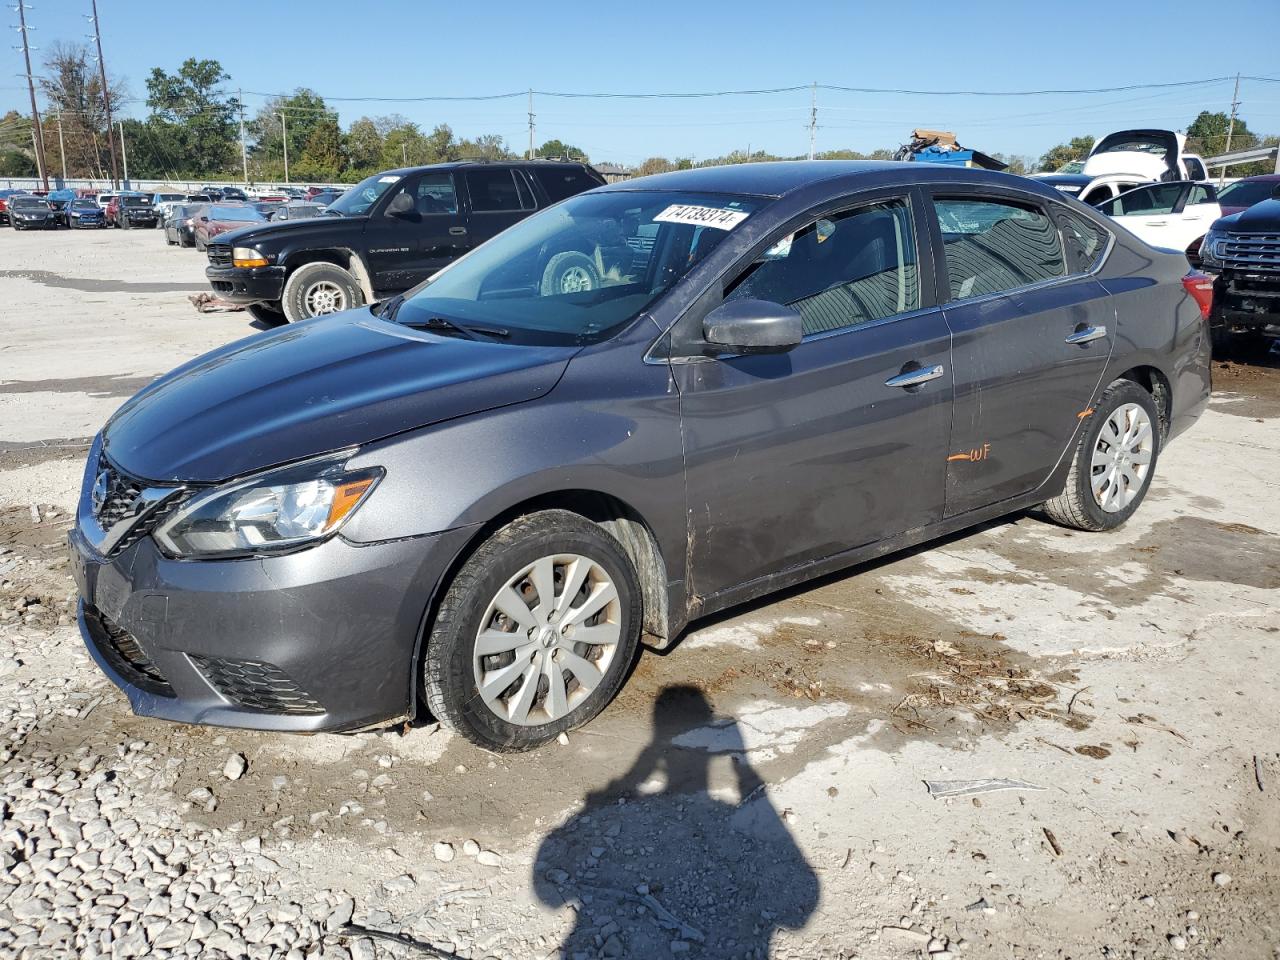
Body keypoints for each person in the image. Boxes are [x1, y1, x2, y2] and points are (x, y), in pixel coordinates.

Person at [533, 686, 819, 959]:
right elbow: (802, 904)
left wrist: (628, 781)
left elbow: (547, 894)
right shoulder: (721, 813)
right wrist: (749, 781)